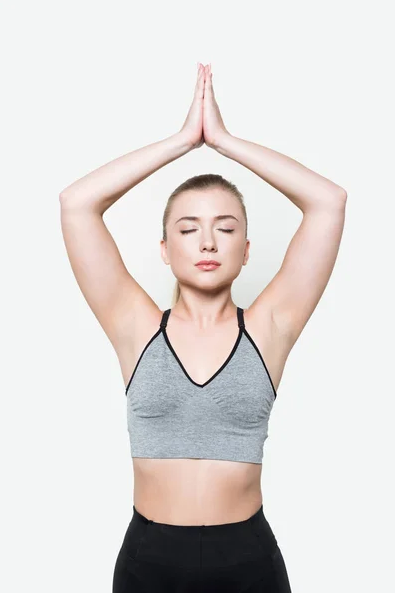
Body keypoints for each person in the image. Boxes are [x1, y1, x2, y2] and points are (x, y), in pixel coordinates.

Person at [59, 62, 347, 592]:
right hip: (149, 560)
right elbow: (77, 205)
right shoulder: (136, 327)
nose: (208, 243)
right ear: (166, 251)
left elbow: (328, 202)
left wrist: (225, 142)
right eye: (189, 229)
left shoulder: (269, 328)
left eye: (226, 228)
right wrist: (183, 141)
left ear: (245, 250)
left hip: (247, 561)